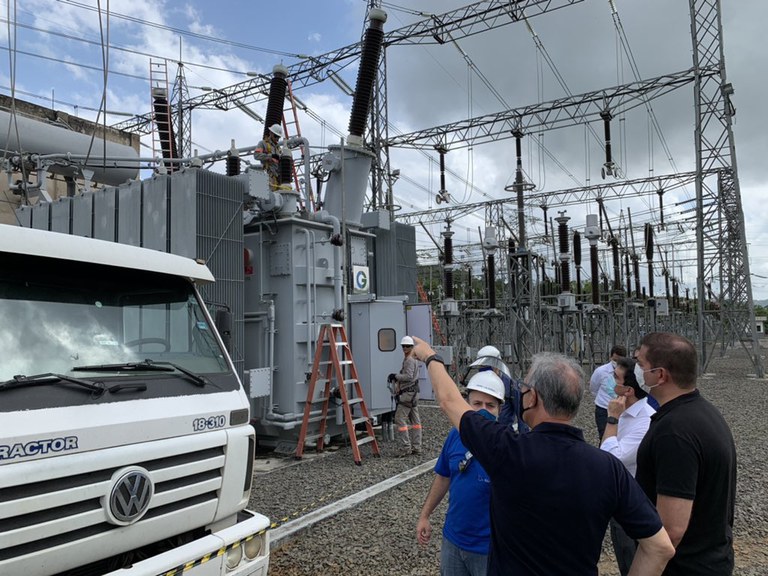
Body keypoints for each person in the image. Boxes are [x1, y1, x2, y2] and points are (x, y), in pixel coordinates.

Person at [411, 336, 674, 576]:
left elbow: (449, 401)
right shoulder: (608, 468)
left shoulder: (508, 450)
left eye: (524, 389)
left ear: (533, 398)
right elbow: (660, 547)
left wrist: (430, 357)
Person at [634, 332, 737, 576]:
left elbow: (671, 530)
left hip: (684, 568)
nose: (636, 371)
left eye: (641, 365)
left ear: (660, 375)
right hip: (710, 560)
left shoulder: (675, 432)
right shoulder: (703, 412)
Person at [416, 371, 505, 576]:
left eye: (490, 406)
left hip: (489, 550)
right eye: (477, 403)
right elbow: (443, 476)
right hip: (453, 542)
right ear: (466, 404)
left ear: (500, 409)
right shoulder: (455, 436)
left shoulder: (507, 444)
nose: (483, 410)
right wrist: (425, 515)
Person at [601, 356, 656, 576]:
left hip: (633, 500)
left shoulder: (646, 420)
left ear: (629, 390)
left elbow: (613, 457)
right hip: (618, 495)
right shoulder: (624, 410)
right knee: (623, 552)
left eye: (616, 379)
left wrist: (612, 419)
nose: (611, 382)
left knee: (633, 557)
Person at [467, 345, 529, 433]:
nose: (485, 371)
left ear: (497, 366)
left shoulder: (511, 386)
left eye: (487, 367)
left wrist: (524, 440)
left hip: (504, 435)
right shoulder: (476, 383)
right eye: (481, 368)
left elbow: (521, 416)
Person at [388, 335, 422, 456]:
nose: (405, 348)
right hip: (413, 393)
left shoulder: (409, 360)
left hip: (408, 394)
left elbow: (408, 376)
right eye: (403, 346)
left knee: (399, 419)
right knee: (415, 421)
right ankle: (417, 447)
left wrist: (395, 376)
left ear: (412, 347)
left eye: (407, 346)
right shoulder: (413, 359)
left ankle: (405, 447)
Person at [590, 344, 627, 442]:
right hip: (603, 408)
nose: (617, 363)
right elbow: (594, 388)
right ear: (610, 357)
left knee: (620, 437)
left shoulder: (629, 372)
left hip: (621, 409)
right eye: (615, 360)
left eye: (619, 360)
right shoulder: (600, 371)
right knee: (604, 436)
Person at [254, 123, 283, 189]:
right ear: (271, 133)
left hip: (278, 177)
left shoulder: (279, 149)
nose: (277, 138)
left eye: (278, 137)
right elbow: (256, 155)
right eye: (276, 136)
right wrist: (270, 156)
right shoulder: (262, 143)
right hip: (268, 175)